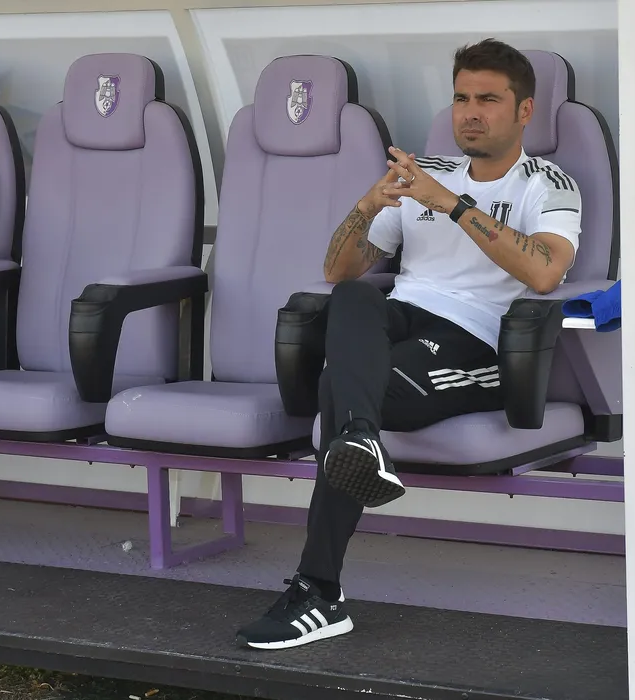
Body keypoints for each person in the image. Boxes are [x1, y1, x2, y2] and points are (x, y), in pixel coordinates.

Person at [236, 38, 582, 650]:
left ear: (524, 110)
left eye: (488, 100)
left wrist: (453, 205)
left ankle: (319, 590)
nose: (469, 113)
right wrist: (369, 203)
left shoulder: (547, 184)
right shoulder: (426, 175)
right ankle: (361, 444)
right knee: (352, 298)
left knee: (336, 386)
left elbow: (545, 272)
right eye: (461, 99)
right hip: (401, 320)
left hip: (477, 343)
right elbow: (339, 269)